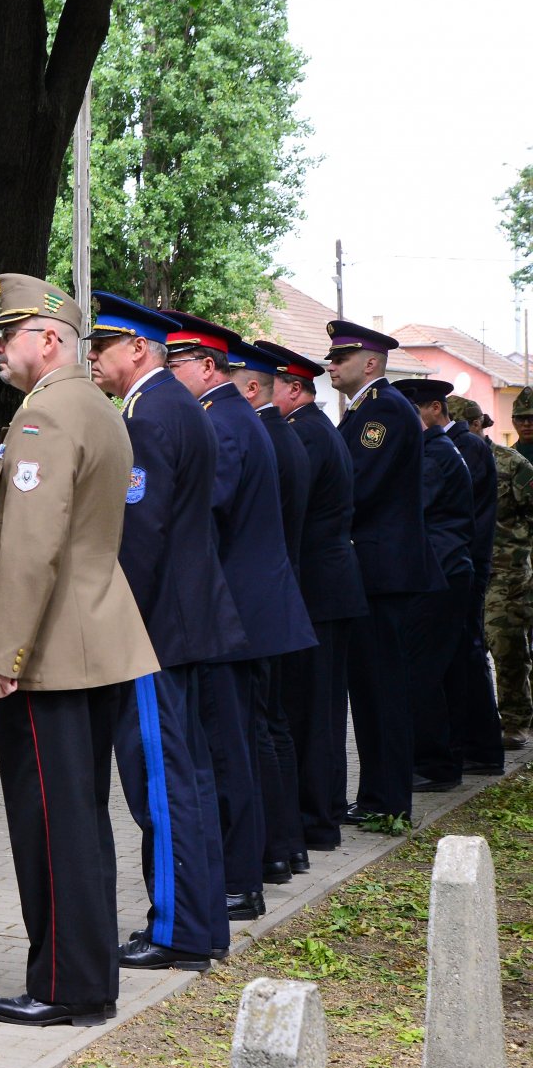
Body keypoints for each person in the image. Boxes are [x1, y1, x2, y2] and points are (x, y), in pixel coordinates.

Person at [0, 274, 158, 1028]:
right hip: (91, 641)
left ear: (48, 339)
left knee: (50, 821)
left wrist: (3, 653)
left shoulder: (44, 414)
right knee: (78, 815)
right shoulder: (100, 409)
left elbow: (31, 551)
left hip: (49, 652)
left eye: (6, 334)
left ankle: (65, 987)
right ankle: (84, 971)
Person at [83, 293, 238, 973]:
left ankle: (176, 930)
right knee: (188, 778)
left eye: (102, 348)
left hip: (152, 632)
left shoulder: (148, 413)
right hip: (184, 622)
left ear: (138, 350)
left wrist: (111, 622)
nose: (93, 359)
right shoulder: (181, 407)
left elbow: (138, 538)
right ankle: (198, 924)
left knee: (162, 789)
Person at [162, 313, 314, 921]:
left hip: (235, 613)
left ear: (207, 367)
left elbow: (206, 516)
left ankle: (237, 879)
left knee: (229, 749)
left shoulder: (222, 425)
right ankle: (268, 857)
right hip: (254, 608)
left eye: (176, 365)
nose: (172, 377)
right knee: (247, 740)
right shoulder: (237, 418)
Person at [324, 320, 443, 826]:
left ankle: (388, 800)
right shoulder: (367, 410)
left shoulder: (384, 412)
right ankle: (377, 795)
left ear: (369, 362)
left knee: (382, 689)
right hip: (374, 567)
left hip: (383, 571)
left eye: (340, 357)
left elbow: (356, 482)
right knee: (371, 690)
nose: (331, 365)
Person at [252, 338, 366, 854]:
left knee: (313, 713)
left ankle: (317, 818)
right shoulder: (314, 429)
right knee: (316, 710)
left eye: (268, 384)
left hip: (318, 589)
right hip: (327, 587)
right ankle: (322, 813)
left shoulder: (306, 435)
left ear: (292, 389)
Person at [226, 342, 313, 886]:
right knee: (271, 727)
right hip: (275, 600)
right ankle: (286, 846)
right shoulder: (280, 435)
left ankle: (274, 849)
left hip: (257, 604)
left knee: (258, 730)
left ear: (250, 388)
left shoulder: (263, 437)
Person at [393, 379, 475, 794]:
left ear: (428, 410)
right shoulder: (440, 449)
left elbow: (411, 509)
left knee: (420, 672)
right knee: (437, 670)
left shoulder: (434, 456)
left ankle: (435, 763)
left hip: (437, 573)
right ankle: (440, 759)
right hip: (446, 571)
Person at [441, 395, 505, 777]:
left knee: (469, 649)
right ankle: (475, 746)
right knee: (465, 650)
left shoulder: (467, 448)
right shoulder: (466, 447)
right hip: (467, 560)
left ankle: (482, 748)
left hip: (468, 562)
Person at [487, 390, 533, 752]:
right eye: (521, 418)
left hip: (519, 566)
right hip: (507, 570)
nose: (526, 424)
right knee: (507, 646)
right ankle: (515, 719)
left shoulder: (515, 463)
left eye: (532, 418)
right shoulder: (504, 459)